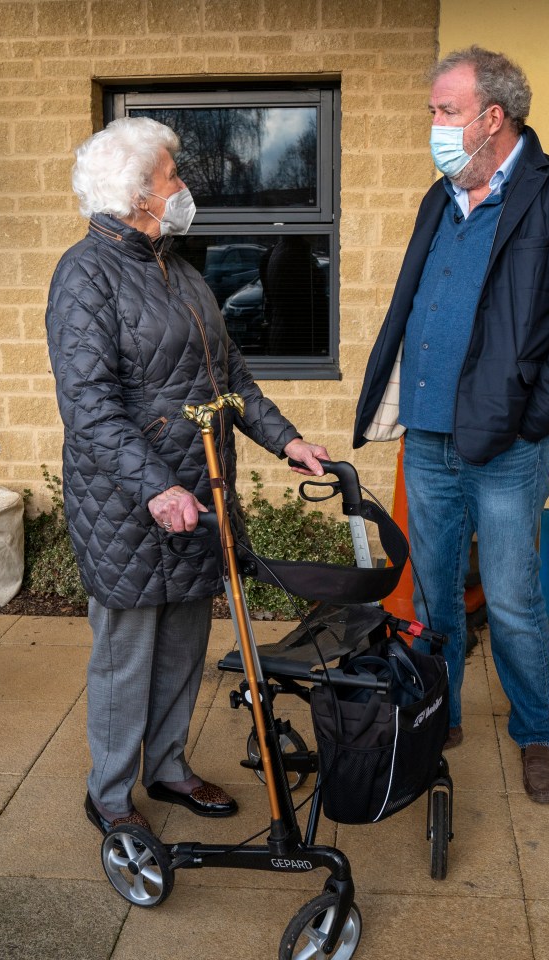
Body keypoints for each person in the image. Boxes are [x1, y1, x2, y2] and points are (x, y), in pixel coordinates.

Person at [354, 46, 549, 803]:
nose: (434, 126)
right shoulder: (439, 198)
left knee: (510, 600)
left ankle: (537, 733)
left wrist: (532, 418)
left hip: (508, 443)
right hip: (429, 439)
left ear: (491, 118)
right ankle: (443, 715)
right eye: (434, 112)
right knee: (435, 595)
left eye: (445, 111)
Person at [46, 116, 330, 834]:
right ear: (139, 193)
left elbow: (228, 376)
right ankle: (109, 793)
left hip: (197, 490)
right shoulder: (84, 275)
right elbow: (89, 407)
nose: (183, 187)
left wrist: (288, 442)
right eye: (173, 175)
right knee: (127, 652)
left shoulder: (177, 269)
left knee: (183, 641)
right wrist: (155, 487)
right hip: (131, 499)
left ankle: (167, 767)